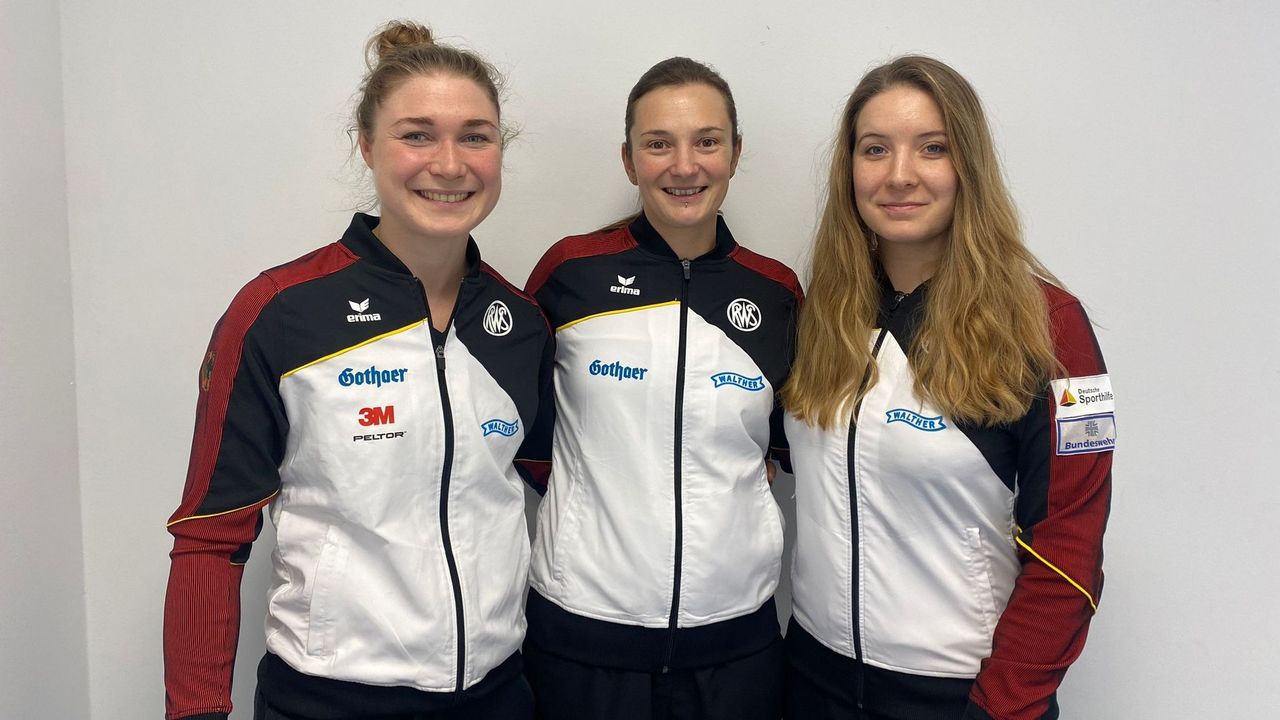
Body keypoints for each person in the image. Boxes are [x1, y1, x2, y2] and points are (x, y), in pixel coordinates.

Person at [162, 20, 552, 720]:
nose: (449, 163)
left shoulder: (520, 325)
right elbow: (210, 536)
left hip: (497, 695)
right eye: (417, 134)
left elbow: (557, 477)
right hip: (329, 701)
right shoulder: (279, 313)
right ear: (367, 145)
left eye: (475, 135)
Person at [781, 55, 1114, 720]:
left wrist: (1003, 706)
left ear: (968, 165)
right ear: (849, 169)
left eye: (932, 148)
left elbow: (1071, 546)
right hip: (811, 679)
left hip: (960, 696)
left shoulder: (1052, 327)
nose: (899, 175)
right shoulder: (822, 312)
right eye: (875, 149)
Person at [520, 57, 802, 720]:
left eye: (707, 141)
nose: (684, 165)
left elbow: (790, 447)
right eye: (658, 144)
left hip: (737, 647)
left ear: (735, 153)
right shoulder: (571, 273)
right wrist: (588, 521)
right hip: (581, 640)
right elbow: (520, 434)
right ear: (628, 160)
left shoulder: (776, 292)